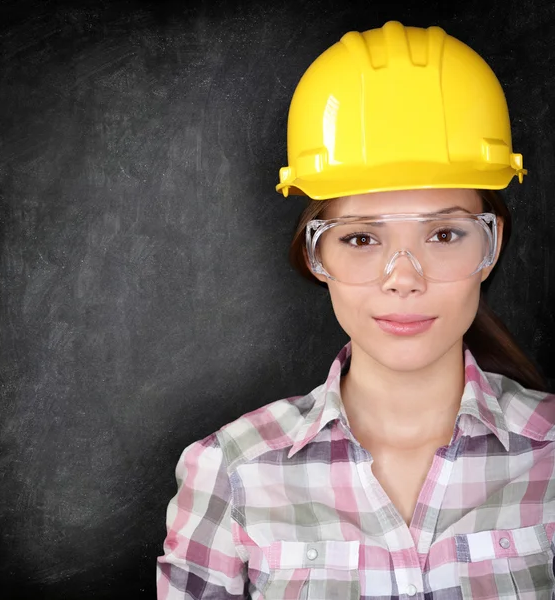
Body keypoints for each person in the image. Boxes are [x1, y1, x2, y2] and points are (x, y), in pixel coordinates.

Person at [157, 20, 555, 599]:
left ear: (490, 249)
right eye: (362, 239)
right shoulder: (230, 470)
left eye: (444, 235)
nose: (403, 281)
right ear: (315, 256)